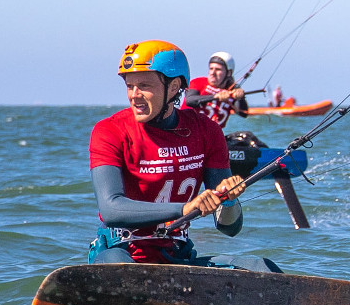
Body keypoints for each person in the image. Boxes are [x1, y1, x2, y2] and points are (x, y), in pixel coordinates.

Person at [89, 39, 281, 273]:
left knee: (263, 268)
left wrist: (228, 199)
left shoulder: (207, 131)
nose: (134, 95)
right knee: (126, 271)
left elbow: (229, 228)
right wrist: (185, 208)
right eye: (130, 86)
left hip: (176, 256)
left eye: (144, 86)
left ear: (173, 87)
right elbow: (111, 210)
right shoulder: (109, 130)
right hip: (121, 253)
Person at [181, 51, 249, 128]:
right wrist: (216, 97)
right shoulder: (198, 82)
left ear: (229, 73)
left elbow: (243, 113)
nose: (212, 73)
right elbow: (190, 100)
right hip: (189, 130)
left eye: (218, 69)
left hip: (212, 136)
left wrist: (240, 97)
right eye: (211, 68)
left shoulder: (231, 90)